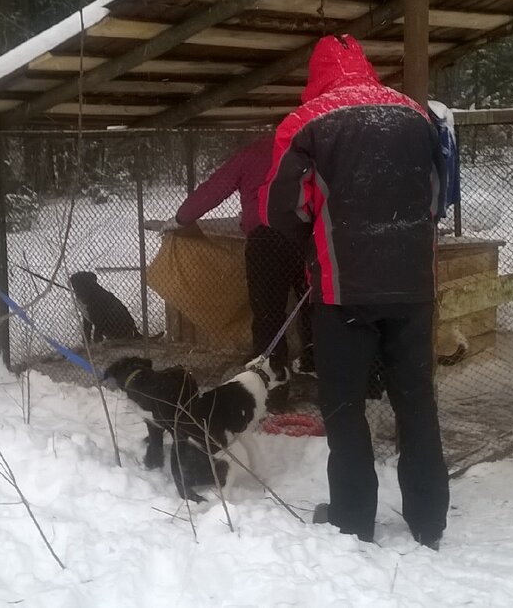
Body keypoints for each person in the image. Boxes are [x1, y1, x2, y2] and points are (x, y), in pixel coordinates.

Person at [259, 34, 449, 549]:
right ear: (365, 66)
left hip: (343, 290)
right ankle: (429, 520)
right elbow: (438, 193)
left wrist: (316, 243)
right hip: (413, 287)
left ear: (316, 73)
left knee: (344, 408)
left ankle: (353, 519)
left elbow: (280, 208)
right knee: (417, 401)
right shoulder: (415, 114)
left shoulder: (305, 122)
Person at [169, 135, 314, 375]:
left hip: (265, 239)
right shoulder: (309, 151)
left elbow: (215, 188)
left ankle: (271, 367)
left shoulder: (253, 152)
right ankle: (315, 355)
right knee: (312, 299)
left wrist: (182, 217)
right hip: (306, 235)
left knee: (267, 308)